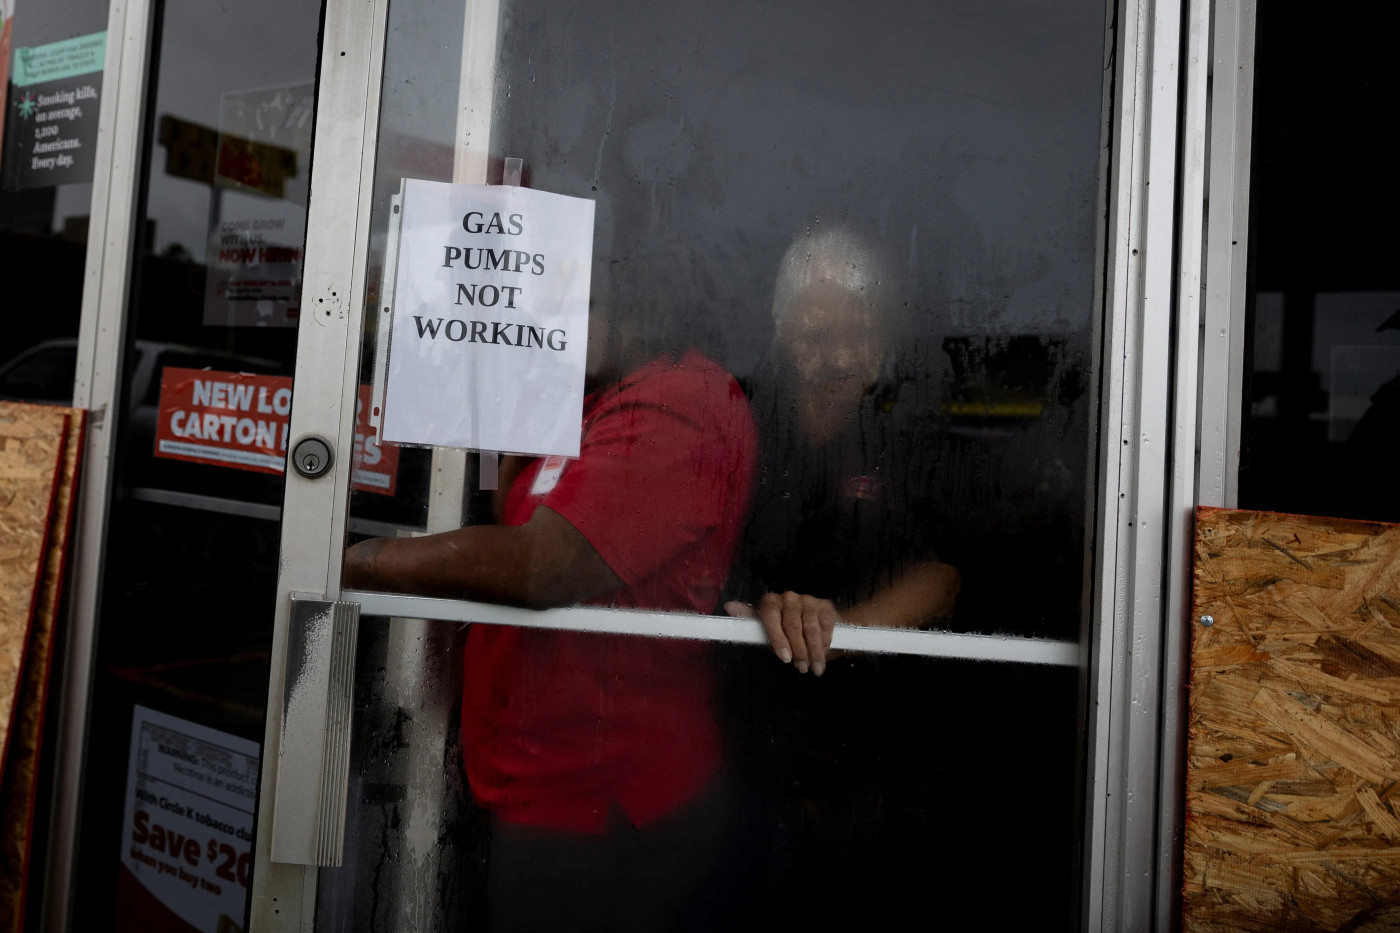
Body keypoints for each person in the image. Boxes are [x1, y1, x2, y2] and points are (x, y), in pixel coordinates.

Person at [343, 278, 757, 932]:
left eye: (578, 305)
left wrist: (354, 562)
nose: (555, 324)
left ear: (645, 303)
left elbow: (543, 564)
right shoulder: (592, 396)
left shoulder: (683, 401)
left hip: (601, 800)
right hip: (525, 777)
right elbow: (508, 519)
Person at [717, 228, 962, 928]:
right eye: (814, 330)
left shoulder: (907, 437)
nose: (837, 353)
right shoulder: (744, 424)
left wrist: (835, 631)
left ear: (881, 336)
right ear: (781, 331)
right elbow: (708, 559)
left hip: (872, 763)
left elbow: (940, 575)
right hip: (747, 757)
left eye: (856, 330)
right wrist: (764, 608)